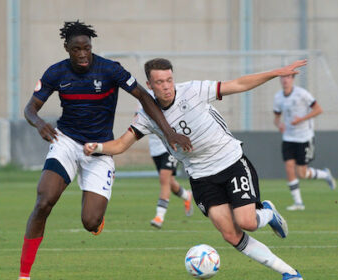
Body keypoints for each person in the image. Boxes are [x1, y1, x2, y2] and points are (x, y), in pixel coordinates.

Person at [84, 58, 308, 280]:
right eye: (159, 82)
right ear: (149, 85)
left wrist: (275, 73)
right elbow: (122, 144)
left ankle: (267, 212)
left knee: (247, 222)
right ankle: (289, 273)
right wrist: (98, 148)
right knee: (231, 234)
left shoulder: (193, 90)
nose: (166, 86)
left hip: (231, 162)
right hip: (201, 177)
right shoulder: (146, 115)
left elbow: (238, 84)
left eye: (169, 80)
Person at [18, 22, 191, 280]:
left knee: (90, 222)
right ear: (67, 48)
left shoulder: (110, 70)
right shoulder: (56, 73)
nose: (83, 54)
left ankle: (96, 218)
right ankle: (24, 275)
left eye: (86, 48)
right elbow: (30, 109)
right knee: (44, 202)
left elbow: (144, 97)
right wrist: (40, 123)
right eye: (76, 49)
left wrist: (169, 131)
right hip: (65, 141)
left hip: (99, 149)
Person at [273, 74, 336, 211]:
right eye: (282, 77)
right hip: (288, 138)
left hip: (304, 137)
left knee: (302, 173)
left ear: (292, 79)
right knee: (289, 168)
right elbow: (277, 118)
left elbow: (318, 109)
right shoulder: (278, 97)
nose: (285, 80)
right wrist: (279, 125)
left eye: (288, 77)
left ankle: (325, 174)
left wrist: (301, 119)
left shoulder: (302, 94)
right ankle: (298, 203)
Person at [147, 133, 193, 229]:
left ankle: (159, 217)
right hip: (155, 149)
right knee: (170, 182)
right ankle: (186, 195)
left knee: (164, 179)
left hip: (169, 148)